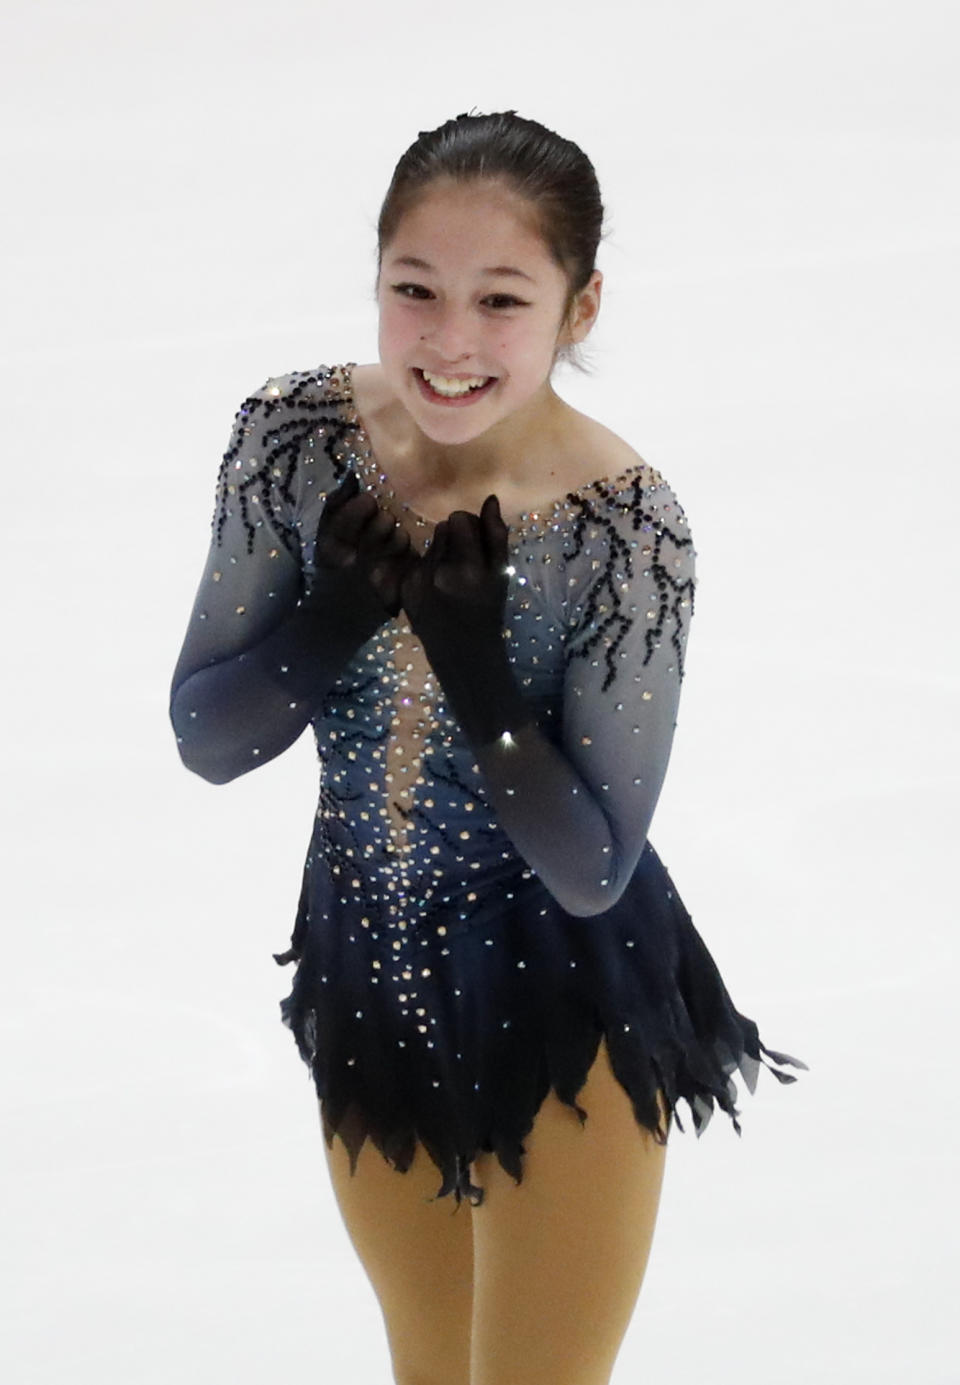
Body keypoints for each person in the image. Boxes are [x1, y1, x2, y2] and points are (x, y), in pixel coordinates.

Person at [169, 110, 806, 1385]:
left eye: (501, 299)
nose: (450, 341)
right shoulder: (294, 441)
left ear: (579, 308)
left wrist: (477, 676)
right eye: (415, 289)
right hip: (365, 973)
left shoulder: (627, 531)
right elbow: (208, 736)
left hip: (567, 1001)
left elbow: (590, 869)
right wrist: (330, 615)